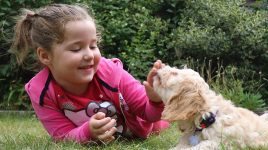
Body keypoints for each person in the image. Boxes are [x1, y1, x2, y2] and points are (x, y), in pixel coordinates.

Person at [10, 3, 169, 144]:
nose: (89, 55)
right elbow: (62, 136)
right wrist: (88, 133)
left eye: (93, 46)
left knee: (164, 121)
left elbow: (148, 113)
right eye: (76, 49)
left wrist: (155, 101)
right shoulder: (42, 92)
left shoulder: (112, 74)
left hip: (149, 125)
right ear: (45, 56)